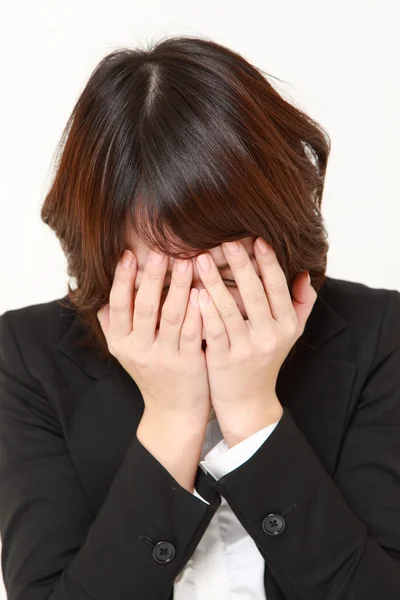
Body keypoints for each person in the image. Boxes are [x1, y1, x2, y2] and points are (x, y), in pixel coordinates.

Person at [1, 35, 400, 600]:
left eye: (229, 277)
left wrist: (254, 418)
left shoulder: (380, 336)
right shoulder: (28, 354)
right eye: (161, 287)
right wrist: (171, 421)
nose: (200, 316)